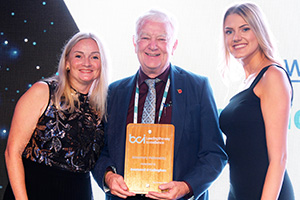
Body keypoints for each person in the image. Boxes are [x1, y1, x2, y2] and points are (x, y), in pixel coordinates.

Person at [92, 9, 227, 200]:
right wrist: (108, 176)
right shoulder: (113, 93)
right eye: (145, 37)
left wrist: (186, 187)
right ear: (134, 43)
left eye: (162, 39)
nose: (153, 46)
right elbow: (98, 151)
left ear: (174, 45)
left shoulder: (198, 87)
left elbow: (214, 154)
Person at [4, 31, 109, 200]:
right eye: (79, 56)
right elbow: (12, 152)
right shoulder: (43, 92)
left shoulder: (100, 107)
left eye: (95, 57)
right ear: (67, 62)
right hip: (34, 191)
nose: (87, 63)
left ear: (102, 65)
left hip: (79, 192)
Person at [219, 3, 295, 200]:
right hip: (238, 192)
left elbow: (279, 159)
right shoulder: (248, 82)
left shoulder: (272, 76)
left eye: (245, 29)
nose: (236, 38)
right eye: (229, 31)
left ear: (259, 31)